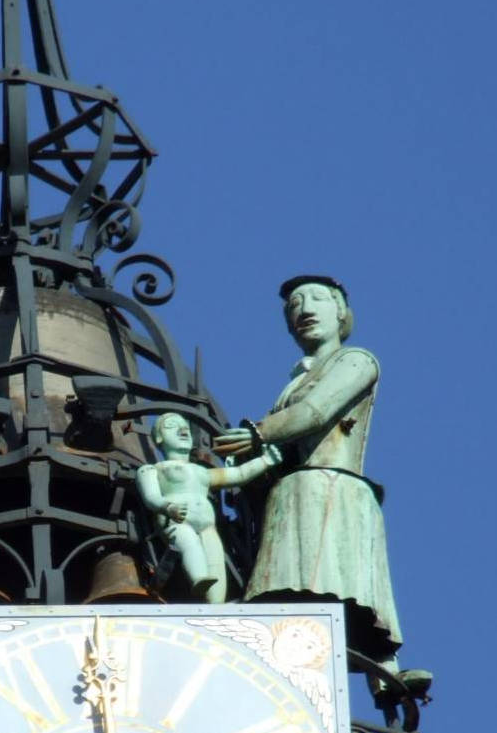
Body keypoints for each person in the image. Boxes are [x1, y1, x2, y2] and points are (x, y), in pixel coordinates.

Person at [214, 276, 429, 699]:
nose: (304, 309)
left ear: (341, 313)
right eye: (295, 304)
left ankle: (383, 671)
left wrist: (259, 434)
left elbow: (315, 411)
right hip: (294, 494)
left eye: (317, 299)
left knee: (340, 586)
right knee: (295, 597)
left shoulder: (357, 361)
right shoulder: (291, 384)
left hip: (330, 489)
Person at [136, 412, 281, 602]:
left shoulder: (202, 472)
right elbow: (151, 497)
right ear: (159, 437)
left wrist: (265, 460)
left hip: (207, 525)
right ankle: (199, 579)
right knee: (189, 544)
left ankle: (216, 606)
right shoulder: (152, 470)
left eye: (186, 427)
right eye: (172, 425)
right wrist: (168, 507)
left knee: (216, 559)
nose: (182, 430)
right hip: (177, 521)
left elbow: (238, 474)